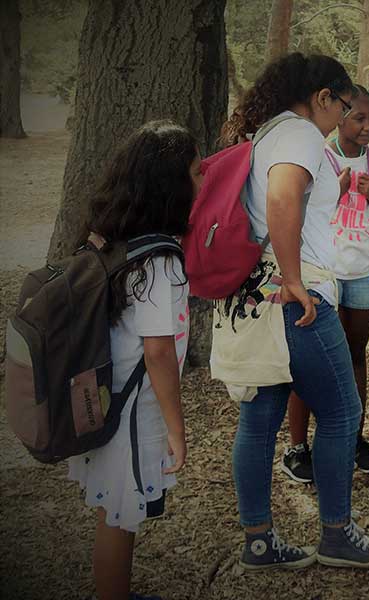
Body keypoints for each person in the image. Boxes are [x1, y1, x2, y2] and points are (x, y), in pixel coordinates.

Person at [217, 53, 369, 570]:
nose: (344, 118)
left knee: (259, 418)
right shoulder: (299, 134)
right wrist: (296, 278)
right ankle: (337, 534)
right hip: (295, 295)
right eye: (343, 106)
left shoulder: (269, 132)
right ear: (323, 97)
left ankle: (259, 541)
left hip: (255, 295)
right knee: (343, 412)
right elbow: (282, 196)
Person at [67, 120, 201, 600]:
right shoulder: (160, 261)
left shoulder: (111, 236)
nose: (200, 180)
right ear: (172, 184)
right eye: (194, 171)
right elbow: (159, 350)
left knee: (115, 516)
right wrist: (176, 428)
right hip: (132, 413)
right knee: (120, 518)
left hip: (108, 398)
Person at [281, 84, 369, 482]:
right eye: (359, 117)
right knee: (308, 361)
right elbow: (292, 211)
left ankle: (353, 438)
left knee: (355, 356)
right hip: (321, 273)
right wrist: (336, 190)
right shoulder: (316, 158)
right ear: (340, 115)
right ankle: (298, 447)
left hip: (365, 272)